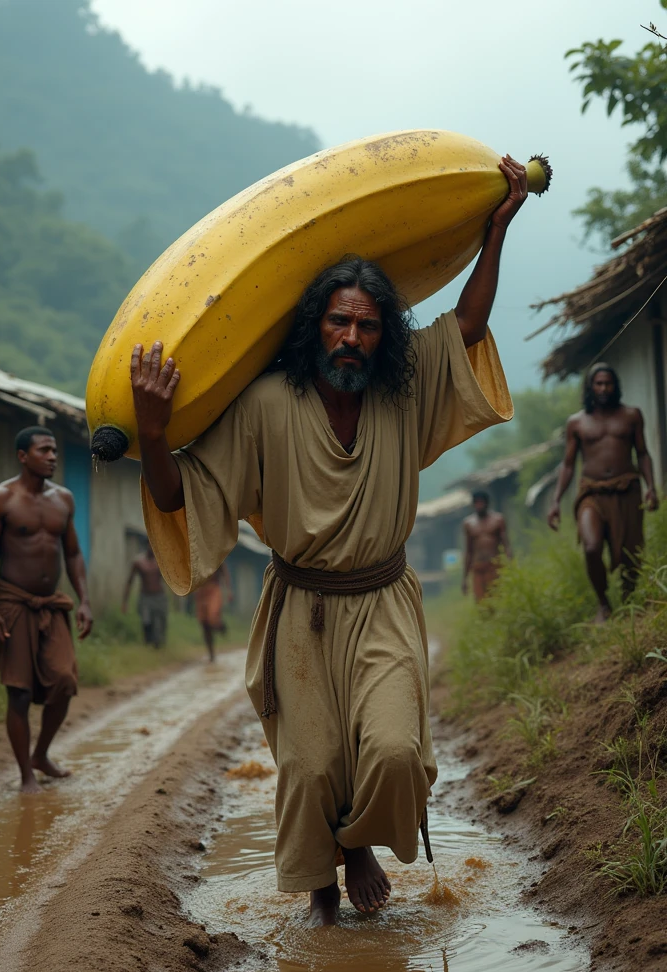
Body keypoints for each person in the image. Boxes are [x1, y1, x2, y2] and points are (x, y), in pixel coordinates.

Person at [132, 155, 527, 926]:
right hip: (301, 610)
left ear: (386, 337)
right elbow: (184, 491)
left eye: (368, 325)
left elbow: (468, 328)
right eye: (338, 321)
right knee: (309, 768)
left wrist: (497, 230)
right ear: (315, 327)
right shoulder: (267, 405)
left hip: (382, 601)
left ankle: (355, 844)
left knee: (391, 752)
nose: (352, 336)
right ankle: (325, 880)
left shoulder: (403, 395)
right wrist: (151, 432)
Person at [0, 426, 93, 793]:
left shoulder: (64, 500)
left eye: (55, 450)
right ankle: (26, 776)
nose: (53, 457)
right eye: (44, 450)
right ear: (22, 456)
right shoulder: (1, 498)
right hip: (12, 601)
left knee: (64, 680)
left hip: (51, 604)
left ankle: (40, 754)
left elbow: (73, 553)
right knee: (20, 692)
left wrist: (85, 600)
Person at [547, 363, 659, 621]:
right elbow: (567, 464)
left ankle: (630, 601)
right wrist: (555, 501)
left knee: (631, 552)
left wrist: (651, 487)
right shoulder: (576, 422)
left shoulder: (631, 415)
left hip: (627, 489)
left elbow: (642, 453)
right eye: (598, 383)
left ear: (615, 385)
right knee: (591, 546)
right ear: (590, 387)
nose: (603, 388)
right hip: (591, 493)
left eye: (608, 383)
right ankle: (603, 603)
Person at [461, 490, 511, 601]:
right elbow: (468, 551)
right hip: (478, 568)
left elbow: (506, 545)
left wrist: (510, 567)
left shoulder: (498, 520)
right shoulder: (469, 523)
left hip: (495, 566)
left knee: (497, 598)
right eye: (477, 503)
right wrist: (465, 578)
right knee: (481, 602)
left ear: (487, 503)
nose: (479, 505)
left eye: (481, 502)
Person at [122, 541, 168, 647]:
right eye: (150, 544)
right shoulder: (139, 562)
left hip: (159, 596)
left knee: (160, 621)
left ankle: (159, 644)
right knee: (146, 621)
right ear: (147, 545)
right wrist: (125, 602)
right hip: (145, 597)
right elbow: (130, 582)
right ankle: (148, 643)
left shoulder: (160, 562)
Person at [193, 562, 233, 662]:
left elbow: (225, 573)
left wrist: (229, 591)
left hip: (213, 589)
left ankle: (221, 627)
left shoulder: (215, 552)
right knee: (204, 623)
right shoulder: (196, 554)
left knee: (212, 617)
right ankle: (211, 653)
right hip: (200, 590)